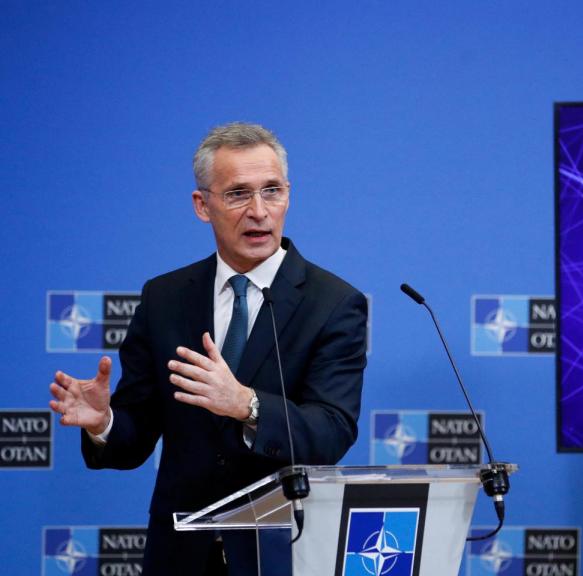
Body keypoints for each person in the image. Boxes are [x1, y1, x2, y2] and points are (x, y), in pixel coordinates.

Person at [48, 123, 367, 575]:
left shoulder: (332, 303)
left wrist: (247, 405)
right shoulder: (165, 297)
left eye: (271, 191)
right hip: (180, 554)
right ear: (203, 205)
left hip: (282, 551)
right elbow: (134, 437)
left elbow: (331, 431)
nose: (259, 211)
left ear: (288, 196)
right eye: (238, 194)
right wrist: (105, 422)